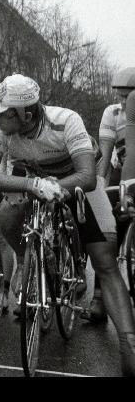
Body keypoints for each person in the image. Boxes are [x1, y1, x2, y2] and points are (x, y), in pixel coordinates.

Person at [0, 74, 135, 376]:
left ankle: (129, 344)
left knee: (104, 259)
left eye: (2, 112)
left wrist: (55, 186)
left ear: (25, 113)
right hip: (32, 179)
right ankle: (31, 260)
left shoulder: (67, 120)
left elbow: (88, 177)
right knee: (6, 214)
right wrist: (33, 184)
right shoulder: (0, 129)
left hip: (75, 181)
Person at [85, 67, 135, 323]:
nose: (122, 102)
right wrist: (101, 186)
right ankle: (99, 296)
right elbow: (104, 154)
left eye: (127, 96)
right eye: (119, 96)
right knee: (107, 229)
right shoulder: (112, 113)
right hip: (120, 170)